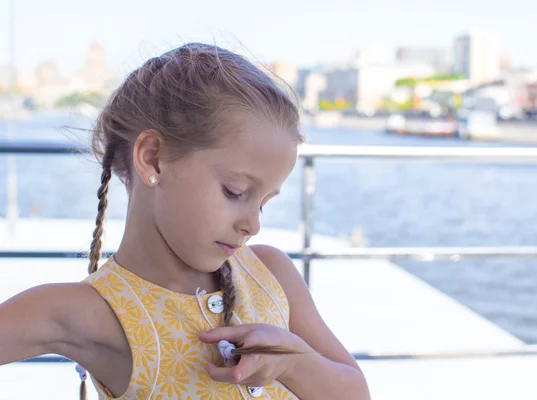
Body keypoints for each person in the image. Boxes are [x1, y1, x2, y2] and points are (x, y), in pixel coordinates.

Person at [0, 43, 370, 399]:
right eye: (235, 192)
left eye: (263, 203)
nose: (253, 225)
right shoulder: (89, 311)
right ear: (153, 159)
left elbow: (357, 394)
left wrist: (294, 365)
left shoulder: (271, 272)